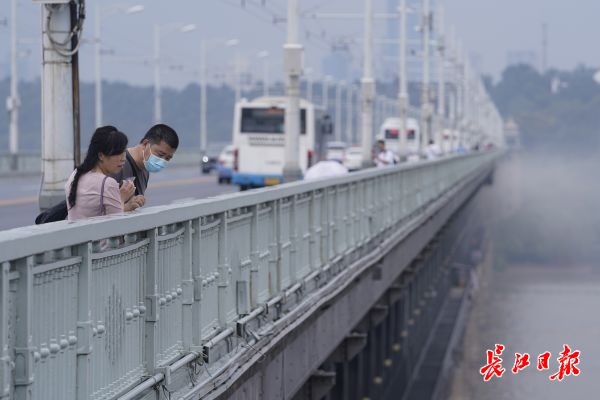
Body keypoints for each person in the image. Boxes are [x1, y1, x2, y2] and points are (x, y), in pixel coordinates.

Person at [65, 126, 138, 220]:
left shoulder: (75, 174)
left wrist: (127, 206)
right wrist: (121, 198)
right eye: (117, 153)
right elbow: (118, 224)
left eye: (124, 152)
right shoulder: (107, 183)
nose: (123, 158)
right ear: (101, 155)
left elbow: (93, 215)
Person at [112, 123, 179, 197]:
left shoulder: (145, 170)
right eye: (160, 154)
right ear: (145, 144)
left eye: (167, 158)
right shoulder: (117, 164)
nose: (162, 161)